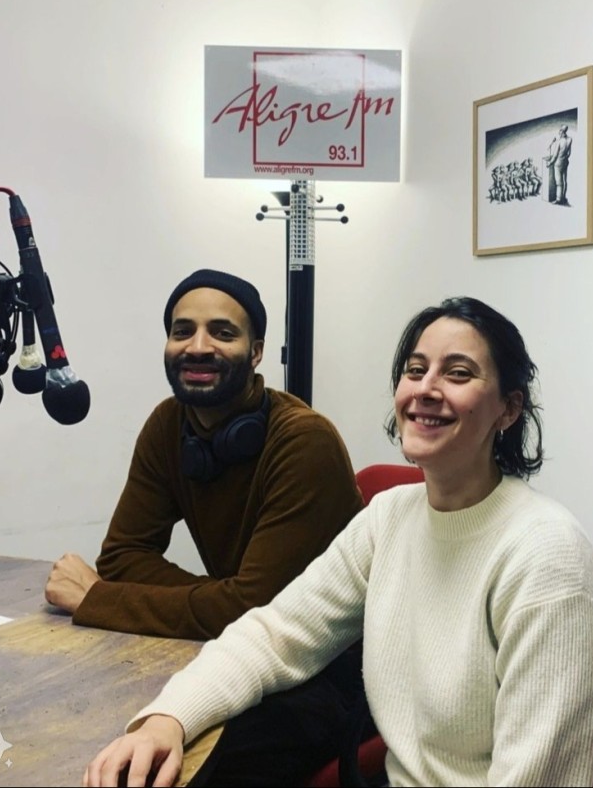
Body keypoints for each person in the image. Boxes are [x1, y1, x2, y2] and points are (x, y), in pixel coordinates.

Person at [84, 296, 593, 788]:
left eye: (458, 373)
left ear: (508, 409)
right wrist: (167, 719)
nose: (426, 389)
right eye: (415, 370)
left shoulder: (547, 558)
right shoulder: (390, 518)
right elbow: (276, 634)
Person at [45, 268, 366, 784]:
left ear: (256, 353)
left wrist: (99, 600)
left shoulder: (305, 442)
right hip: (233, 654)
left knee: (160, 770)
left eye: (222, 332)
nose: (197, 347)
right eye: (182, 331)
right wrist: (223, 600)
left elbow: (256, 610)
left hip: (327, 674)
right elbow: (124, 558)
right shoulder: (168, 425)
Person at [546, 123, 573, 205]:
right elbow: (569, 153)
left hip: (558, 164)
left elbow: (554, 156)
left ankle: (558, 200)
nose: (559, 132)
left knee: (559, 183)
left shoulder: (559, 142)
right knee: (564, 181)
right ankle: (563, 197)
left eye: (560, 130)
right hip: (565, 162)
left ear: (562, 131)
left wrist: (549, 163)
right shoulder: (570, 139)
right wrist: (564, 157)